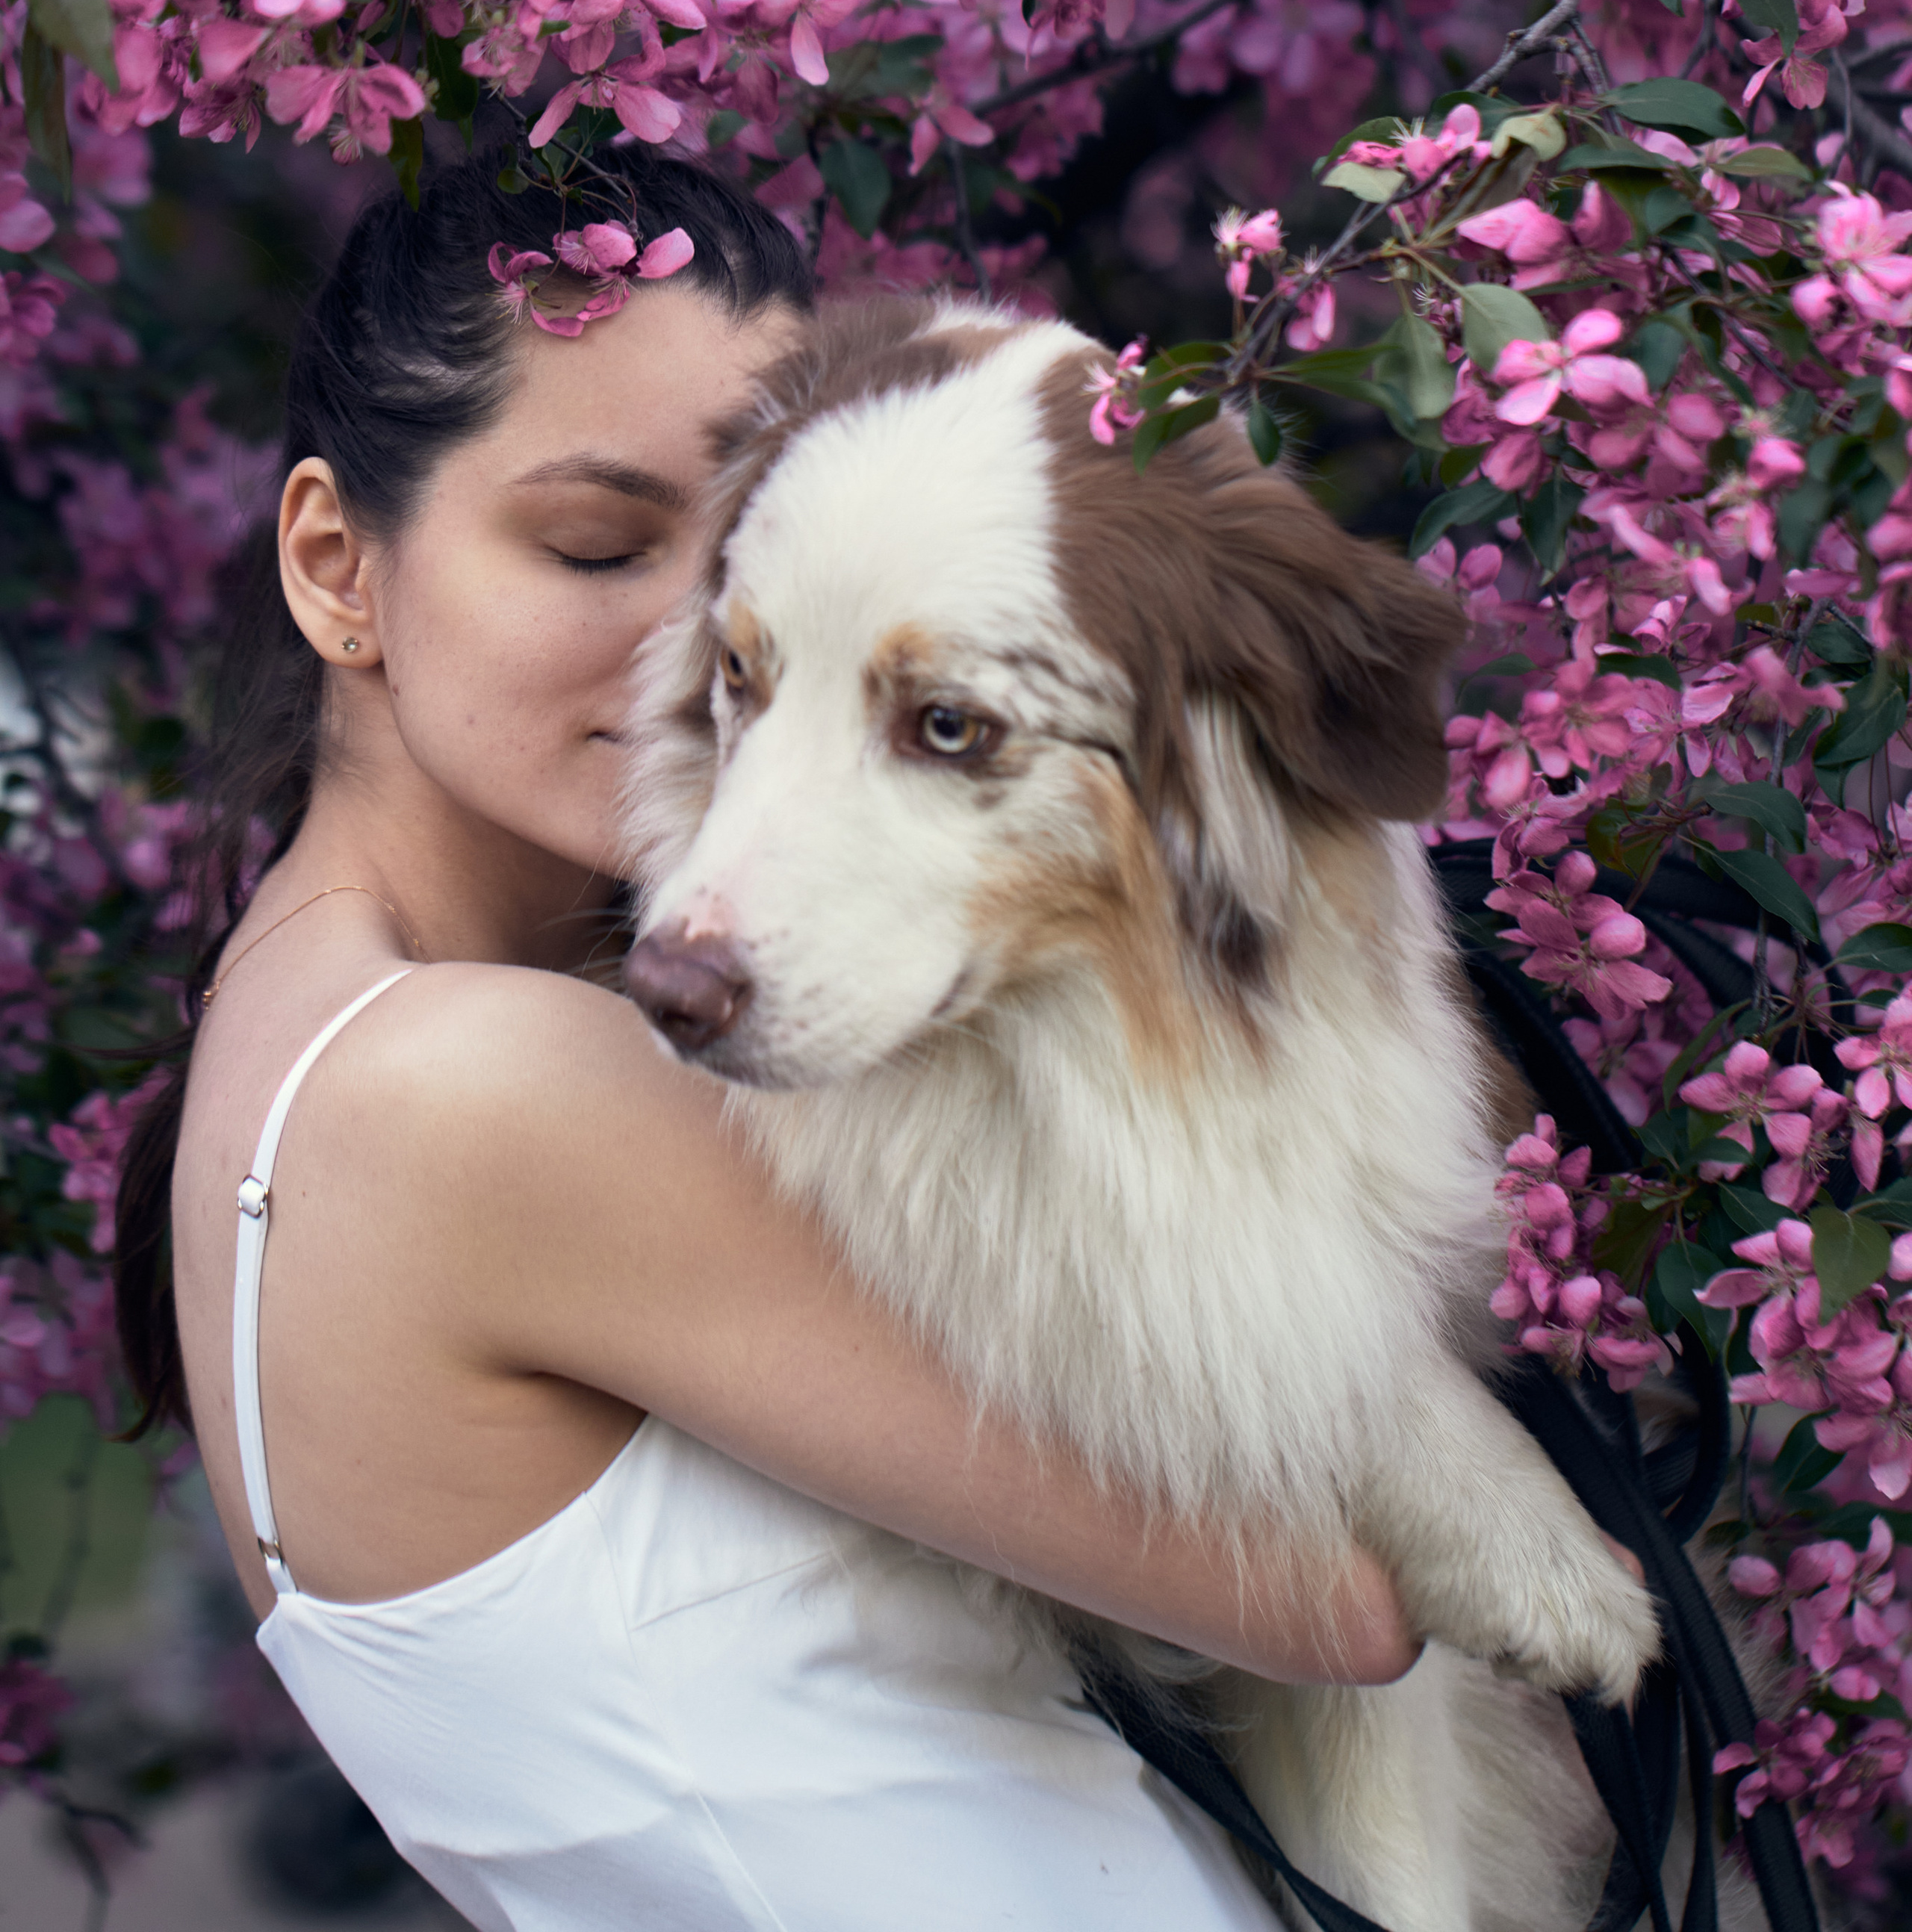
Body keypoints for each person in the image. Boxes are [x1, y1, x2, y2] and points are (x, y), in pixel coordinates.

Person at [115, 139, 1418, 1932]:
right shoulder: (479, 1091)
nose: (711, 643)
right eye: (596, 544)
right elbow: (1335, 1590)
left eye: (755, 545)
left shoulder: (310, 1042)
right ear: (339, 566)